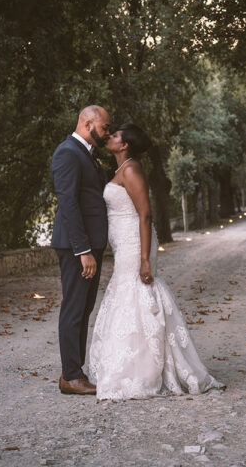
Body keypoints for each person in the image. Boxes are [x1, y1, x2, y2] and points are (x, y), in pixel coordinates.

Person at [88, 123, 224, 400]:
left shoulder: (132, 169)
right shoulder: (120, 169)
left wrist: (144, 258)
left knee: (138, 290)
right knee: (127, 294)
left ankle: (142, 369)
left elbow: (145, 214)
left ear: (124, 144)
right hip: (123, 242)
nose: (109, 137)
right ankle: (131, 362)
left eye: (114, 136)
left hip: (135, 243)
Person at [50, 105, 112, 395]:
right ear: (89, 124)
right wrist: (83, 250)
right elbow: (69, 204)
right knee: (74, 309)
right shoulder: (67, 152)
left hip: (90, 244)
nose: (108, 132)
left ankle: (78, 372)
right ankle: (70, 376)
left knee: (84, 309)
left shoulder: (86, 154)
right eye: (106, 127)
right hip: (78, 247)